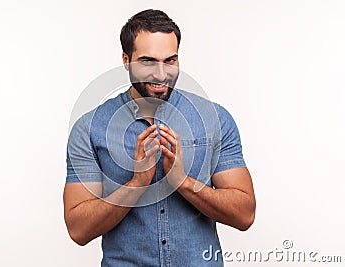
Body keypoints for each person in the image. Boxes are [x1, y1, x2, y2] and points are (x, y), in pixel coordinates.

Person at [64, 9, 256, 266]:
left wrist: (183, 182)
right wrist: (137, 182)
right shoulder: (89, 128)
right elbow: (78, 230)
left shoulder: (215, 119)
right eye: (148, 62)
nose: (161, 74)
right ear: (125, 59)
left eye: (170, 60)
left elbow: (244, 215)